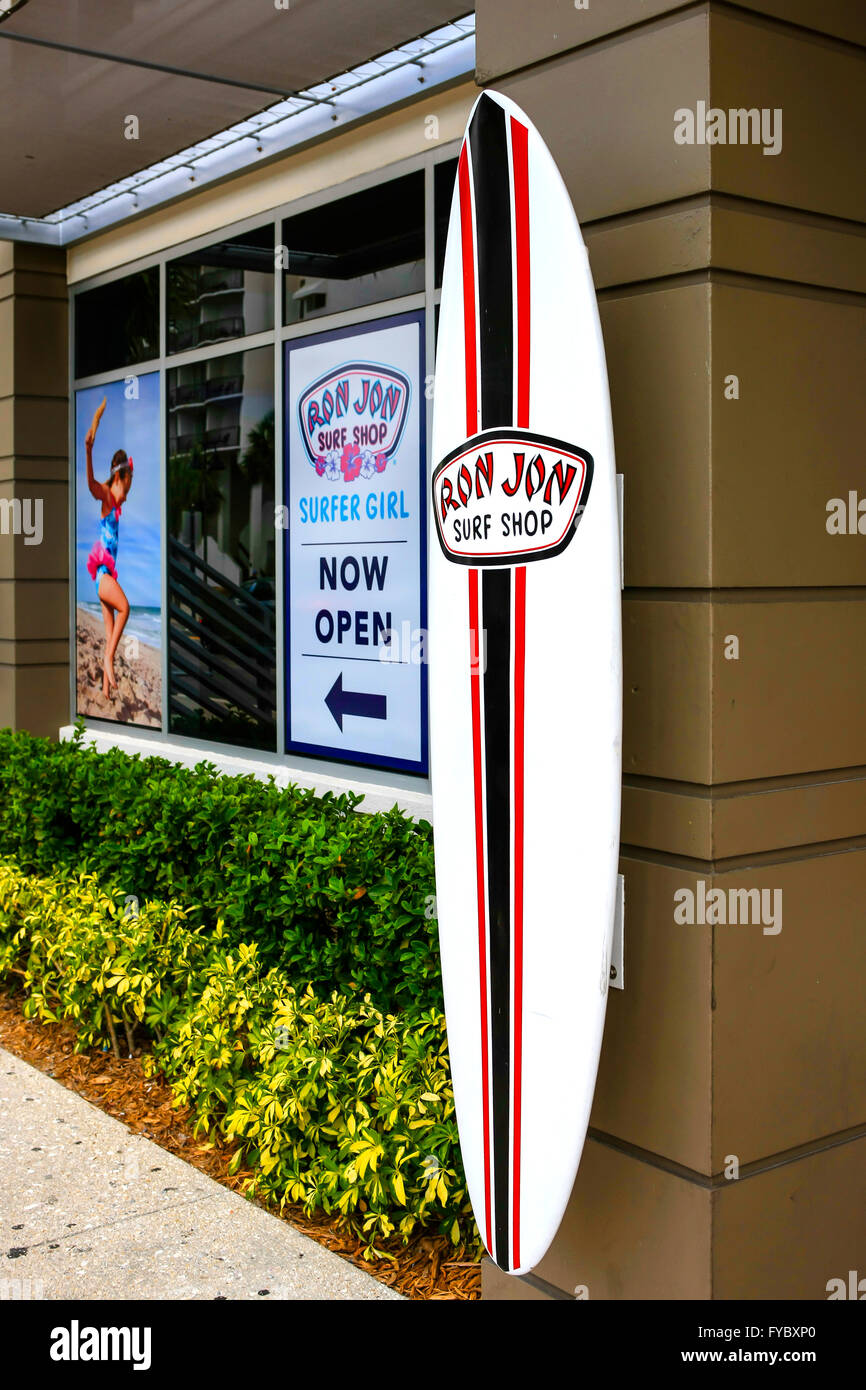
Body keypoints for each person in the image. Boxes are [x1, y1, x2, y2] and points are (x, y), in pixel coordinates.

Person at [84, 397, 134, 698]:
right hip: (103, 577)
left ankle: (105, 692)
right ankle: (106, 658)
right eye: (129, 479)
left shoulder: (118, 500)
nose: (131, 485)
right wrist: (88, 449)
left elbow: (120, 495)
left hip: (106, 576)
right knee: (125, 608)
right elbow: (91, 484)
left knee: (109, 632)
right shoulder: (106, 495)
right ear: (119, 476)